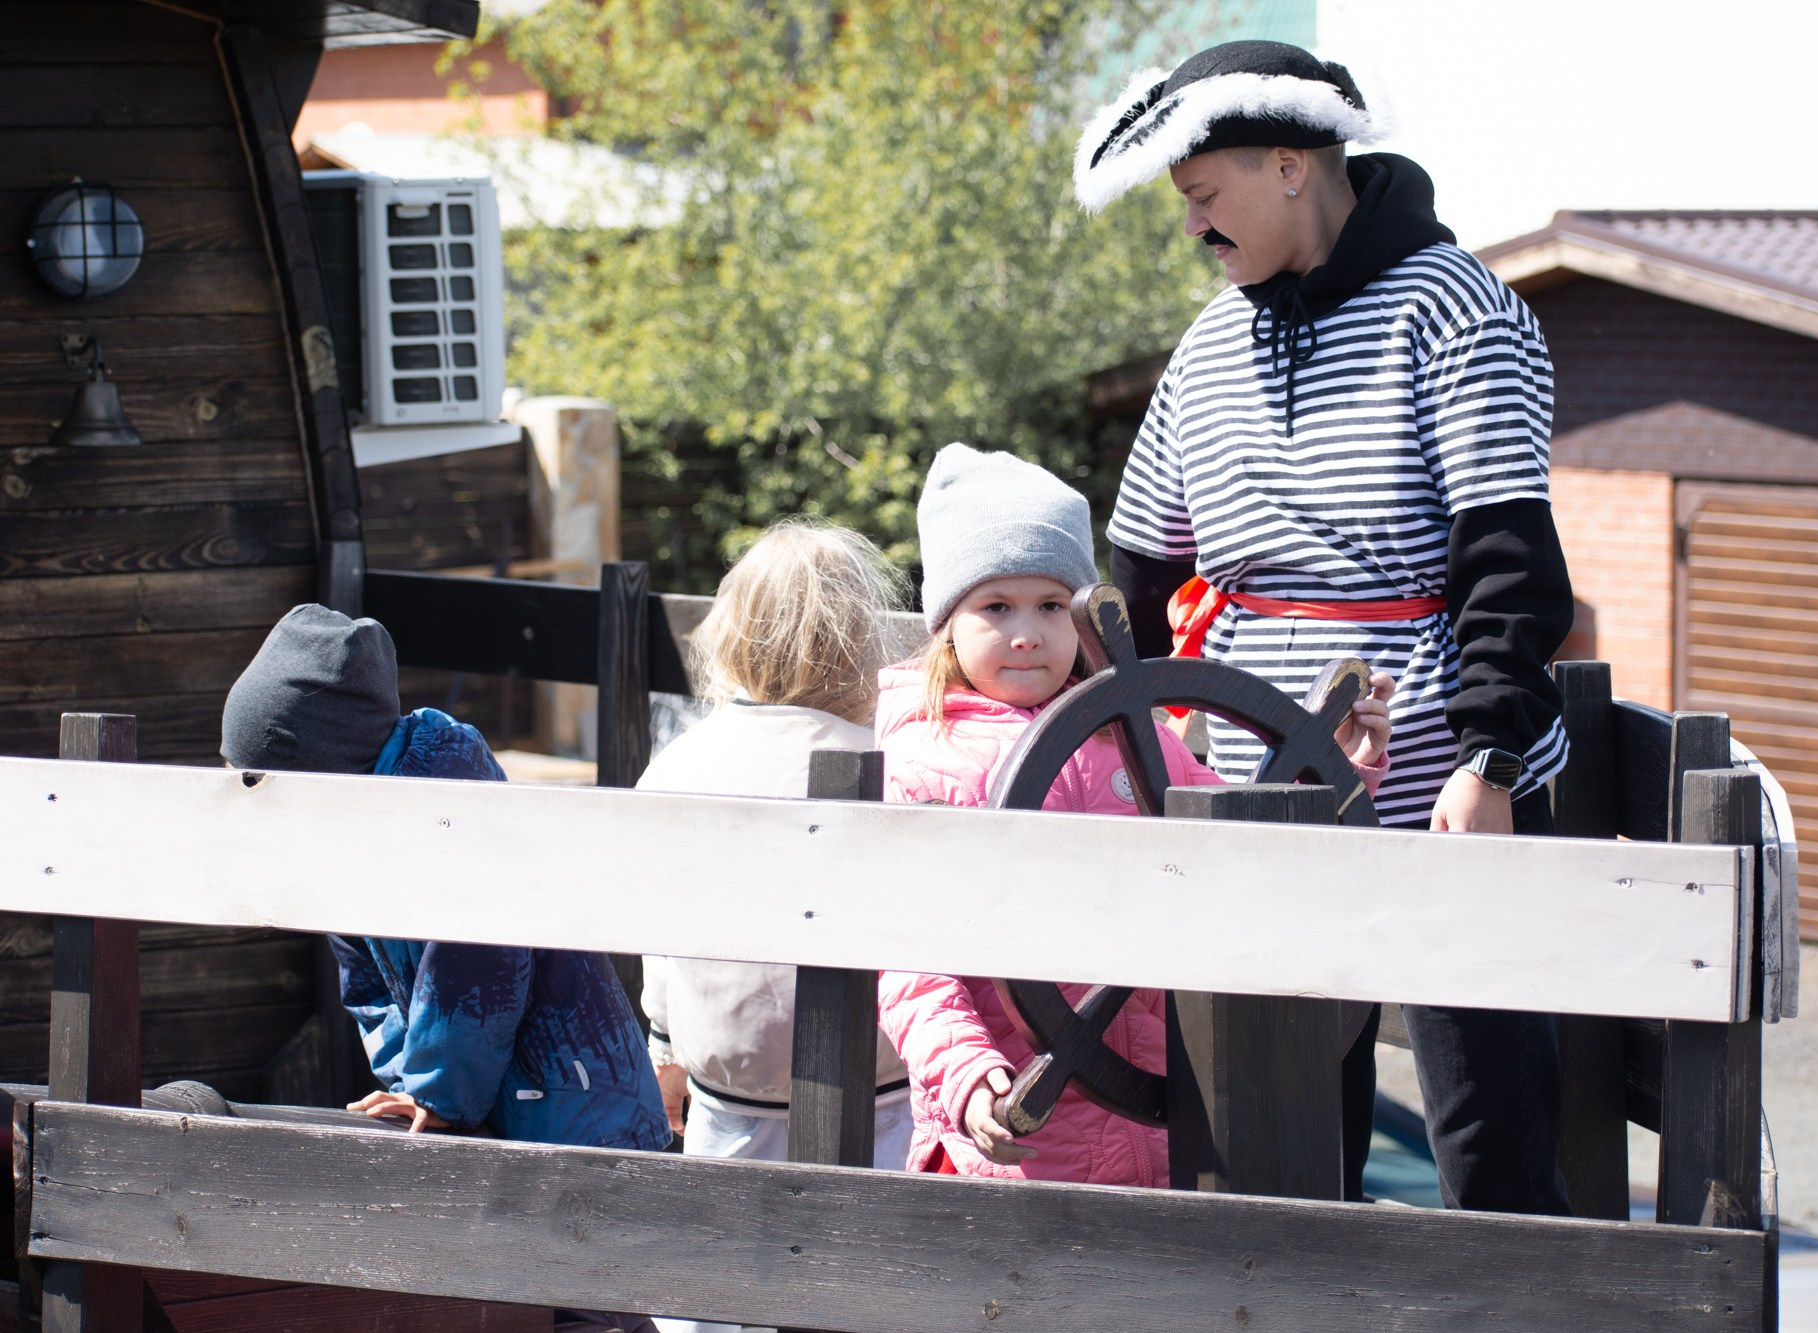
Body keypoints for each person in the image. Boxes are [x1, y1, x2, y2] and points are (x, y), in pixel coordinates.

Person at [1076, 41, 1577, 1214]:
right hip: (1259, 788)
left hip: (1441, 781)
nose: (1194, 229)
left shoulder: (1455, 311)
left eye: (1205, 198)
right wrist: (1137, 754)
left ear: (1291, 166)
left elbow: (1507, 564)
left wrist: (1488, 760)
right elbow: (1141, 568)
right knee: (1283, 1132)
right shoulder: (1211, 344)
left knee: (1486, 1133)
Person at [874, 444, 1392, 1184]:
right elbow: (911, 958)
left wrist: (1335, 765)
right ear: (946, 623)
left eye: (1051, 605)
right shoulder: (930, 766)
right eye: (996, 606)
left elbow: (1250, 840)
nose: (1027, 632)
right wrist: (964, 1075)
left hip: (1164, 1121)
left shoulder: (1131, 739)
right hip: (1022, 1131)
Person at [218, 604, 671, 1155]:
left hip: (578, 1102)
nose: (243, 795)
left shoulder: (447, 807)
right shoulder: (343, 841)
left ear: (317, 767)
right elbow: (367, 985)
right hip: (489, 1101)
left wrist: (438, 1095)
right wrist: (411, 1090)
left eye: (254, 779)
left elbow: (478, 969)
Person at [635, 520, 914, 1171]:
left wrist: (665, 1044)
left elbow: (659, 929)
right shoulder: (893, 760)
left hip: (731, 1079)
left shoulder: (683, 764)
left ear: (732, 634)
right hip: (879, 1080)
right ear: (858, 642)